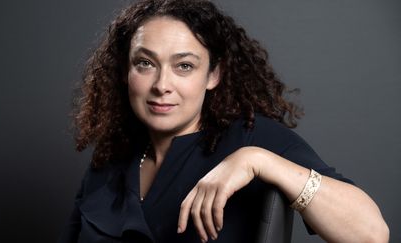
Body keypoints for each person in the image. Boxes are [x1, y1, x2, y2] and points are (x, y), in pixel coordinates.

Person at [58, 0, 389, 242]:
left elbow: (371, 234)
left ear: (213, 75)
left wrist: (258, 160)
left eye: (184, 66)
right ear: (126, 72)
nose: (162, 85)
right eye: (145, 63)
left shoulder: (251, 138)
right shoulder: (110, 161)